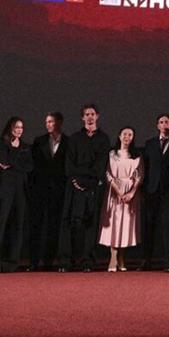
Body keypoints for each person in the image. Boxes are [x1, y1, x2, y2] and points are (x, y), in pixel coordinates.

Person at [58, 103, 111, 272]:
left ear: (97, 116)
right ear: (82, 118)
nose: (90, 117)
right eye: (86, 114)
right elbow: (69, 165)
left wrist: (87, 182)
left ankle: (87, 261)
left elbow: (101, 166)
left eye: (92, 114)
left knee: (90, 225)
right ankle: (66, 261)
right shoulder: (74, 138)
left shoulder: (104, 139)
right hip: (74, 187)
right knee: (70, 223)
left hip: (92, 188)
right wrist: (77, 181)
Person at [0, 117, 34, 272]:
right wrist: (18, 163)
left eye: (21, 127)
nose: (19, 130)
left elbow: (29, 166)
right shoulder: (1, 145)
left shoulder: (26, 147)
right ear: (10, 128)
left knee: (17, 225)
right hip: (3, 190)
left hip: (20, 191)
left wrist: (12, 164)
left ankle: (11, 262)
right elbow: (4, 160)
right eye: (16, 127)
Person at [140, 113, 169, 270]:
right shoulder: (149, 143)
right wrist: (144, 189)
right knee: (148, 225)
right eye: (161, 122)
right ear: (157, 126)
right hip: (151, 190)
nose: (164, 124)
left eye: (167, 122)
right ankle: (146, 261)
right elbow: (145, 167)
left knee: (167, 226)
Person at [99, 126, 141, 272]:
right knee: (114, 224)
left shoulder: (136, 156)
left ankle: (122, 258)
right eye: (124, 134)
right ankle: (113, 257)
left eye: (130, 134)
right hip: (114, 191)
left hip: (130, 194)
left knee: (126, 225)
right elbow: (107, 174)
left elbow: (139, 175)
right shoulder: (112, 154)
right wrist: (118, 191)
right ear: (119, 136)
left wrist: (131, 193)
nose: (127, 137)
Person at [29, 112, 67, 271]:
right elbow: (33, 166)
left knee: (54, 226)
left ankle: (49, 262)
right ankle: (33, 262)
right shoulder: (39, 141)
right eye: (47, 122)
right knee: (36, 225)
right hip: (40, 190)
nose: (48, 124)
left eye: (51, 121)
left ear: (59, 123)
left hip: (59, 191)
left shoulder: (68, 142)